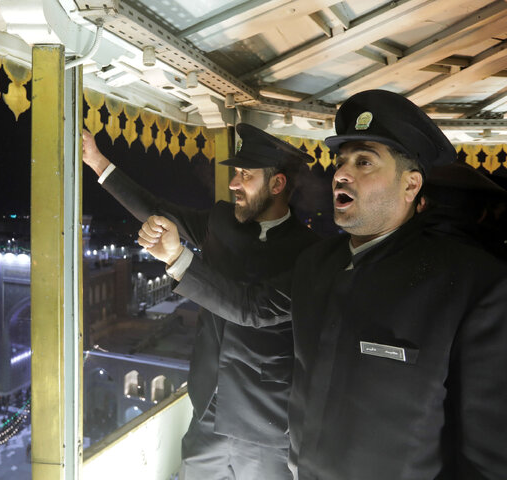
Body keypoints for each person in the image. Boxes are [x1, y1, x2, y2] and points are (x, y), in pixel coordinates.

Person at [140, 90, 507, 479]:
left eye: (364, 161)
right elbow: (254, 307)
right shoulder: (318, 263)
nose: (342, 174)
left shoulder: (470, 285)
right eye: (340, 162)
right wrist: (174, 257)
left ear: (411, 185)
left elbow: (487, 460)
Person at [83, 124, 319, 479]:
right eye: (235, 173)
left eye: (245, 175)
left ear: (277, 184)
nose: (233, 183)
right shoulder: (221, 220)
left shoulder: (310, 255)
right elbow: (156, 208)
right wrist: (98, 162)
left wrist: (177, 258)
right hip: (207, 409)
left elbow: (250, 308)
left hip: (268, 426)